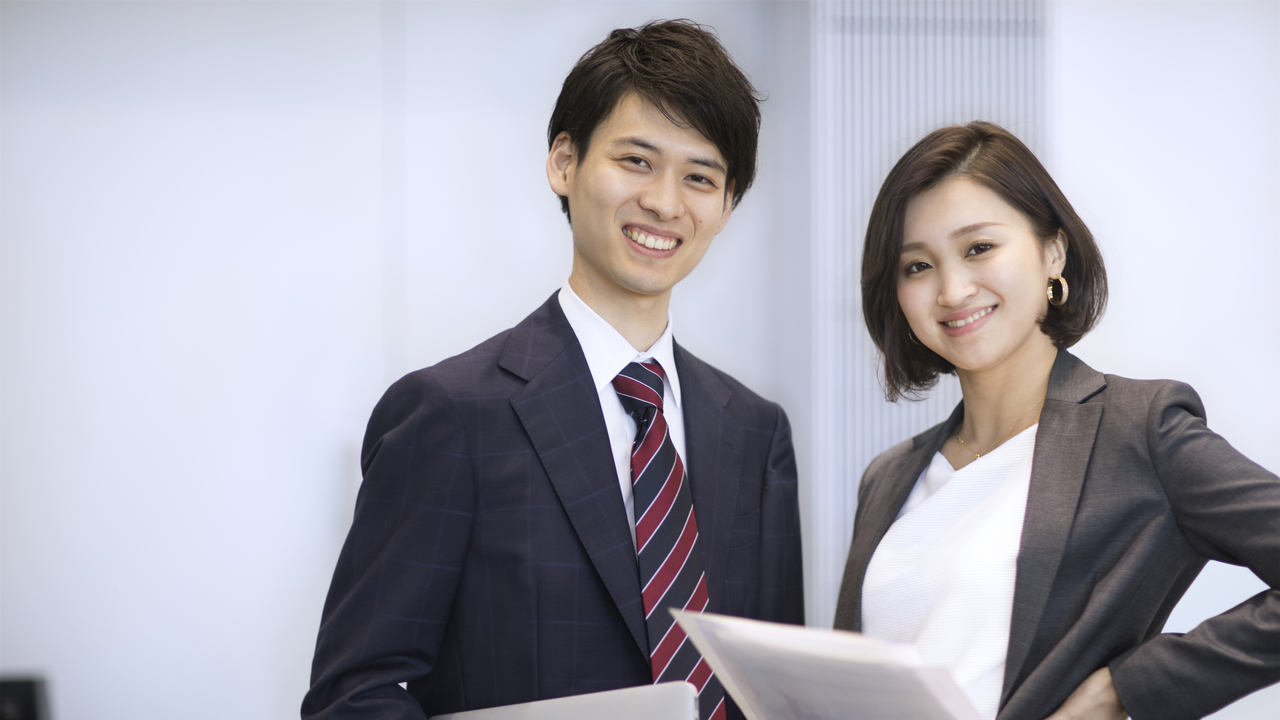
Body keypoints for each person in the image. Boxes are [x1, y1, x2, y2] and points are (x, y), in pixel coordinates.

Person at [302, 20, 804, 720]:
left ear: (726, 205)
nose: (664, 201)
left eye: (700, 176)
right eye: (636, 161)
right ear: (564, 163)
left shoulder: (755, 435)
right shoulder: (450, 415)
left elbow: (775, 693)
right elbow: (356, 695)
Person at [834, 122, 1279, 720]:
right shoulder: (888, 477)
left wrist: (1124, 689)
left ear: (1053, 253)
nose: (952, 289)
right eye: (917, 266)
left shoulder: (1140, 430)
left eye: (978, 248)